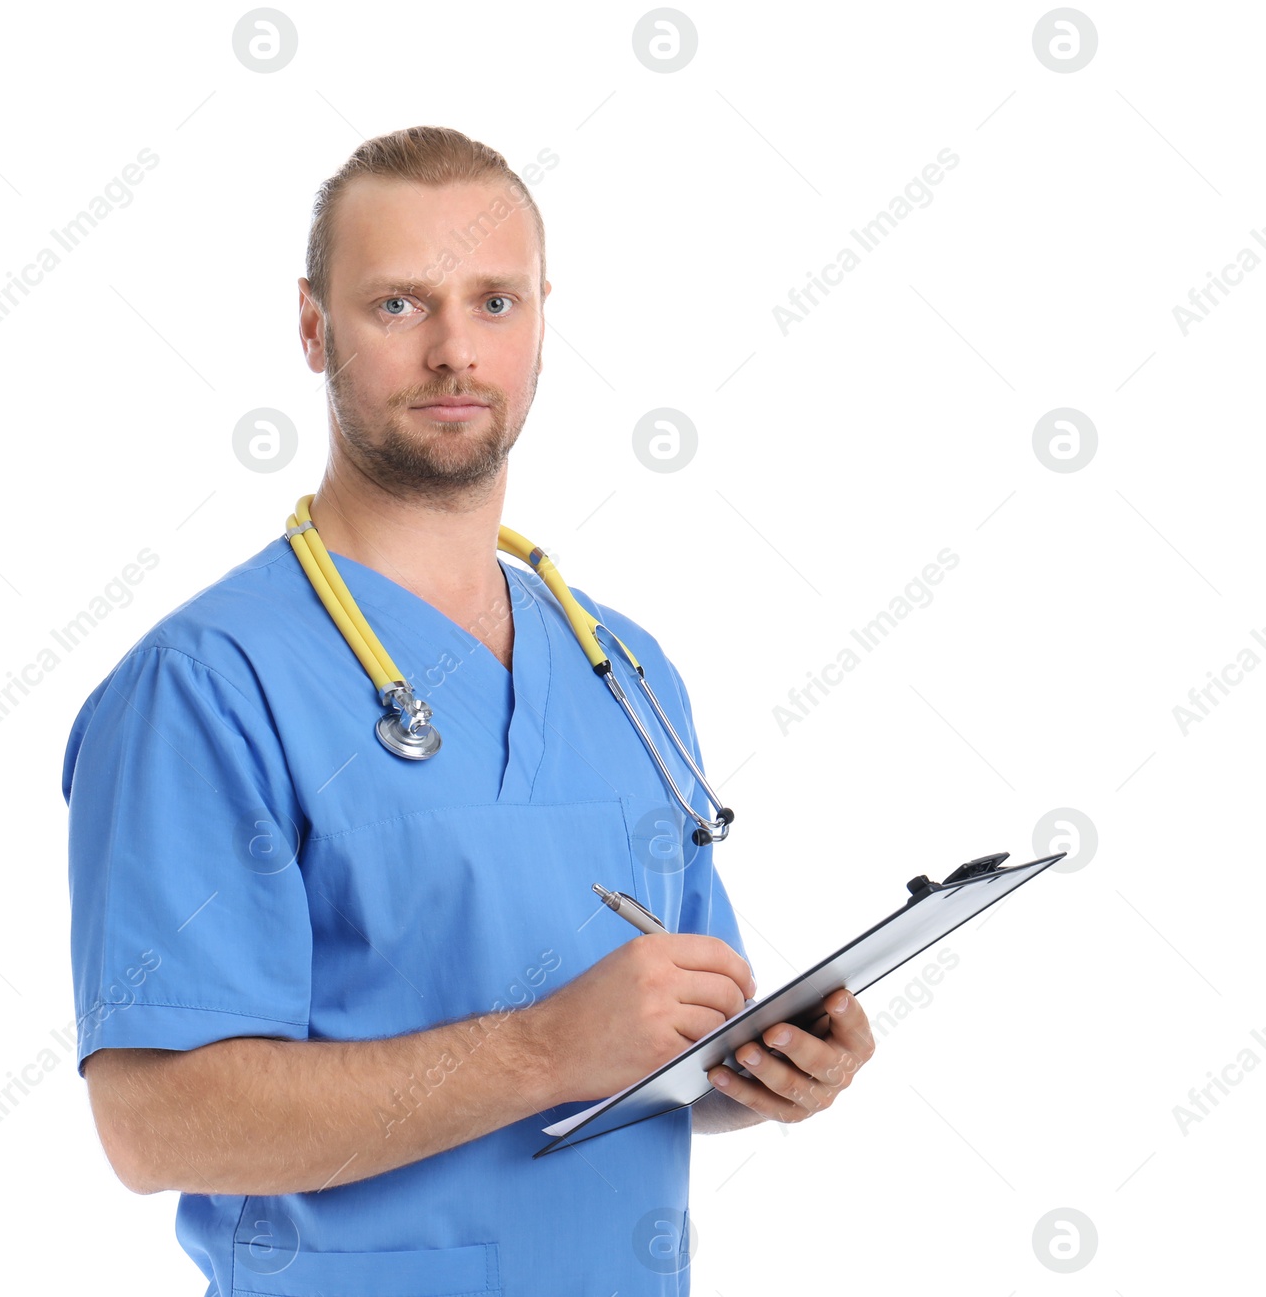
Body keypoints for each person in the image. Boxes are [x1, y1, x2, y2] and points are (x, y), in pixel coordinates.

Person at [63, 125, 875, 1295]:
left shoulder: (623, 670)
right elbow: (154, 1125)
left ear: (543, 318)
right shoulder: (205, 684)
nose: (455, 351)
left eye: (494, 302)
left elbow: (655, 1055)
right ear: (312, 327)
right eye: (399, 305)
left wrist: (762, 1069)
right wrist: (544, 1047)